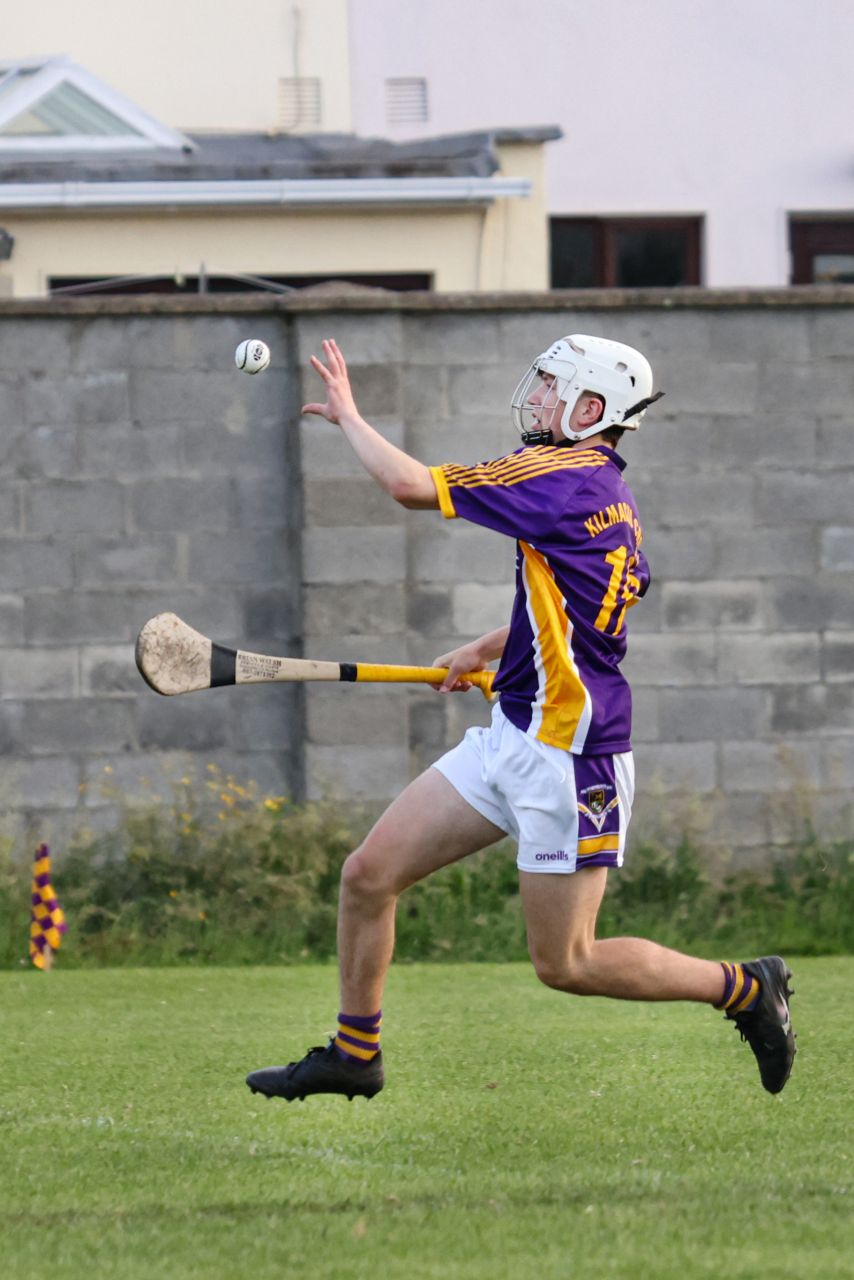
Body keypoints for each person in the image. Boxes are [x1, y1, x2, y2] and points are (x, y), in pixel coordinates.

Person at [246, 334, 796, 1103]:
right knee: (369, 876)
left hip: (569, 756)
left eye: (552, 388)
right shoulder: (606, 489)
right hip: (511, 733)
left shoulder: (558, 474)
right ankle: (354, 1052)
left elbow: (410, 487)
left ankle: (743, 987)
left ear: (591, 409)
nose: (535, 399)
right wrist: (489, 648)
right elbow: (598, 607)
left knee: (566, 962)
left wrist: (348, 418)